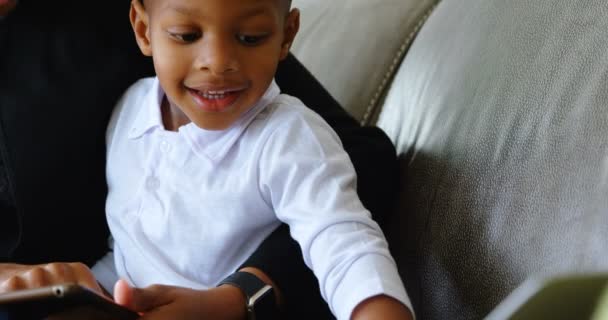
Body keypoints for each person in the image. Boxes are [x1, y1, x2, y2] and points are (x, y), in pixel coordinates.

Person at [0, 1, 409, 319]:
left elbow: (346, 246)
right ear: (143, 30)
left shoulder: (289, 137)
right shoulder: (129, 114)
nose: (217, 61)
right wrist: (83, 293)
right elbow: (129, 250)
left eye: (249, 37)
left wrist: (243, 295)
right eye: (186, 34)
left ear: (287, 36)